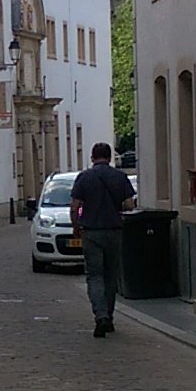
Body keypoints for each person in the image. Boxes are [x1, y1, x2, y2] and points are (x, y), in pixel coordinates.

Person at [69, 141, 134, 337]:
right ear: (110, 157)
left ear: (92, 157)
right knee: (111, 276)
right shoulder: (119, 177)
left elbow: (75, 207)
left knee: (94, 276)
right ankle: (109, 317)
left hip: (91, 232)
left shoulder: (84, 177)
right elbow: (129, 205)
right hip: (114, 231)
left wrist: (76, 226)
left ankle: (101, 316)